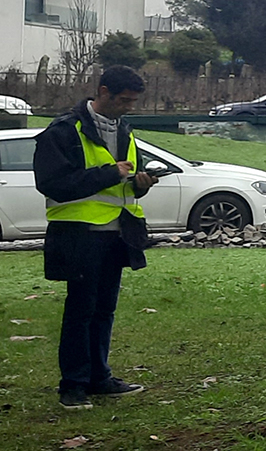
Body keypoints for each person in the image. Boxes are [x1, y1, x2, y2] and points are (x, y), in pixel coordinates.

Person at [34, 65, 156, 410]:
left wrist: (140, 184)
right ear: (102, 91)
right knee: (80, 311)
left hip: (118, 234)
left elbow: (125, 186)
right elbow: (52, 183)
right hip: (79, 234)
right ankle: (72, 385)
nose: (128, 107)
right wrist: (107, 174)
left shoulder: (125, 130)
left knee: (104, 311)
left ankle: (99, 378)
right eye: (122, 100)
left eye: (133, 101)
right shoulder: (64, 130)